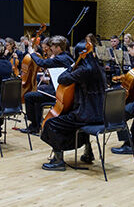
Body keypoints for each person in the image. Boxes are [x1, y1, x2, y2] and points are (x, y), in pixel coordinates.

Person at [40, 40, 106, 171]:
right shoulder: (99, 68)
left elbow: (62, 79)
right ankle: (88, 152)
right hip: (101, 115)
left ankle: (59, 160)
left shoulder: (83, 70)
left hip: (86, 115)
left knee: (51, 124)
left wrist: (72, 66)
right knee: (67, 120)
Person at [20, 36, 75, 136]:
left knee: (28, 96)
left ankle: (34, 125)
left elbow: (41, 63)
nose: (51, 49)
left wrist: (32, 53)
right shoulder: (67, 56)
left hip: (58, 93)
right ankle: (37, 123)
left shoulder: (59, 58)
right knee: (38, 91)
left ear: (58, 48)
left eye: (52, 47)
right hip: (63, 90)